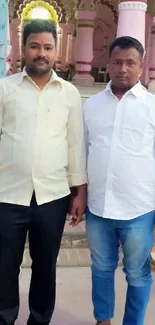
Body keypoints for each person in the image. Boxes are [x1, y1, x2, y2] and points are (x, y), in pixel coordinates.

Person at [0, 19, 87, 325]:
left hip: (52, 196)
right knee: (3, 266)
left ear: (55, 51)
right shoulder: (4, 90)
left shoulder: (69, 93)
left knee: (45, 267)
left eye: (47, 47)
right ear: (23, 49)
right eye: (35, 46)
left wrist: (80, 192)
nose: (41, 53)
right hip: (8, 194)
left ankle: (39, 319)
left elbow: (75, 145)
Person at [83, 36, 155, 325]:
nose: (123, 68)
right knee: (101, 267)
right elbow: (82, 152)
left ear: (141, 66)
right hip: (98, 206)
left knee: (137, 273)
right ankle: (103, 320)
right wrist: (80, 194)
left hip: (139, 207)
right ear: (108, 64)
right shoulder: (91, 106)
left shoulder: (152, 107)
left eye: (130, 63)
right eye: (117, 62)